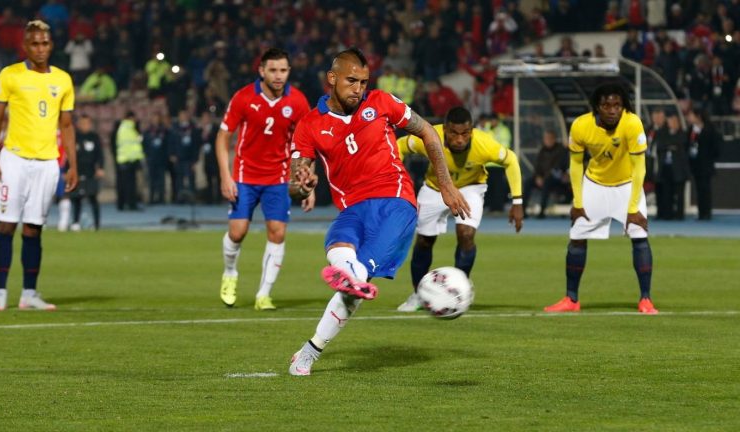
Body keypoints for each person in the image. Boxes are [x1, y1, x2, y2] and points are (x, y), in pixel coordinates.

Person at [286, 48, 471, 376]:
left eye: (363, 82)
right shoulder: (310, 124)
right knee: (338, 249)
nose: (358, 88)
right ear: (332, 79)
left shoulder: (382, 102)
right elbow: (295, 184)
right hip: (353, 208)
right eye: (351, 81)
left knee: (354, 276)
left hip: (394, 203)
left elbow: (428, 131)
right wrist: (303, 183)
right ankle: (316, 338)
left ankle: (318, 338)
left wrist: (445, 185)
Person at [0, 20, 77, 311]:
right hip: (13, 159)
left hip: (48, 162)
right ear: (25, 46)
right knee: (7, 224)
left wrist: (72, 164)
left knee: (34, 228)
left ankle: (29, 294)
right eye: (34, 43)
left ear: (51, 45)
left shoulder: (63, 79)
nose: (40, 48)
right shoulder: (10, 75)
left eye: (45, 43)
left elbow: (67, 124)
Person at [543, 82, 658, 315]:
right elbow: (575, 164)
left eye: (617, 105)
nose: (613, 110)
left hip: (627, 185)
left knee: (639, 237)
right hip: (594, 185)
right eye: (607, 105)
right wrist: (577, 202)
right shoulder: (581, 126)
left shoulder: (632, 123)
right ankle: (571, 299)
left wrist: (633, 206)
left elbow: (639, 169)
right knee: (577, 237)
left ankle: (645, 299)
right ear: (597, 106)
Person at [395, 106, 523, 312]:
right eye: (454, 133)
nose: (460, 139)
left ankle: (459, 291)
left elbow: (511, 160)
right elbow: (399, 145)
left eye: (465, 133)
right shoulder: (429, 136)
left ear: (471, 131)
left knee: (466, 234)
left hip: (470, 189)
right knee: (424, 241)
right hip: (435, 188)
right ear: (445, 129)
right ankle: (419, 294)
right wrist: (397, 177)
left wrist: (517, 202)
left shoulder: (484, 144)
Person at [215, 48, 311, 311]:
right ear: (261, 71)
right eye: (273, 70)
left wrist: (307, 181)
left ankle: (263, 295)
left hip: (278, 178)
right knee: (238, 232)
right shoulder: (244, 97)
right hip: (245, 175)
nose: (278, 76)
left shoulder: (299, 101)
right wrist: (226, 175)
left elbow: (305, 144)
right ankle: (230, 273)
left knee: (277, 233)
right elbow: (223, 137)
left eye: (283, 70)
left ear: (289, 71)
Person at [523, 130, 570, 218]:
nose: (547, 140)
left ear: (554, 139)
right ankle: (523, 210)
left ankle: (542, 211)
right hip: (542, 177)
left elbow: (557, 167)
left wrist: (543, 178)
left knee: (547, 182)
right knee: (527, 182)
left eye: (549, 138)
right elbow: (537, 166)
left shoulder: (561, 150)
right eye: (545, 138)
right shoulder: (542, 150)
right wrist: (538, 176)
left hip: (556, 180)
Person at [69, 114, 104, 230]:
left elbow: (100, 154)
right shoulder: (74, 137)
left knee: (93, 198)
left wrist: (100, 168)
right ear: (78, 124)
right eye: (82, 123)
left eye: (87, 123)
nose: (85, 125)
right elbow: (69, 155)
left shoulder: (94, 137)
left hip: (91, 172)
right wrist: (68, 169)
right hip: (78, 172)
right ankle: (75, 223)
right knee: (76, 198)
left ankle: (97, 224)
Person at [686, 109, 721, 220]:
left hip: (706, 165)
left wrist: (709, 157)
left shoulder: (709, 129)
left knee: (706, 189)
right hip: (695, 165)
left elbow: (716, 146)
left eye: (691, 115)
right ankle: (701, 213)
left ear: (698, 116)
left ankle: (707, 213)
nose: (689, 118)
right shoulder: (691, 130)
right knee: (699, 189)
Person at [654, 114, 689, 220]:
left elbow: (681, 144)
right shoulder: (663, 133)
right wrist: (671, 146)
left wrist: (670, 145)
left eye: (673, 121)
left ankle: (679, 214)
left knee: (679, 193)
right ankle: (667, 214)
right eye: (669, 121)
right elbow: (661, 145)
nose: (671, 124)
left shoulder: (682, 133)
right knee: (666, 192)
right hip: (666, 167)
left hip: (678, 168)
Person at [114, 111, 143, 211]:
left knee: (123, 184)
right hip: (129, 160)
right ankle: (131, 204)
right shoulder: (129, 128)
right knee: (130, 185)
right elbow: (134, 145)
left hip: (123, 160)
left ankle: (122, 204)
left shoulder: (121, 128)